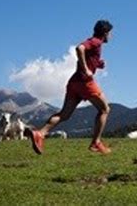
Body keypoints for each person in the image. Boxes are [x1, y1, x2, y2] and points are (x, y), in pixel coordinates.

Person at [25, 20, 113, 155]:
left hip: (74, 82)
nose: (111, 36)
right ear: (105, 33)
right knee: (105, 109)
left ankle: (40, 133)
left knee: (64, 114)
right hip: (85, 82)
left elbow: (88, 56)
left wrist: (98, 64)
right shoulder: (96, 41)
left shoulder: (96, 44)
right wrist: (85, 69)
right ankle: (96, 142)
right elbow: (79, 48)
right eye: (110, 33)